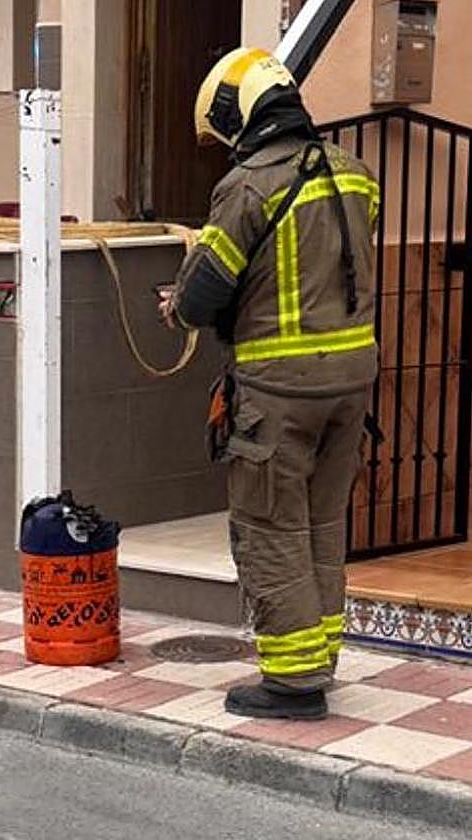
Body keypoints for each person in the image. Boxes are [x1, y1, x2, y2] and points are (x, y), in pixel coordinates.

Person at [158, 48, 380, 719]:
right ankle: (321, 659)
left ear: (239, 113)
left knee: (268, 527)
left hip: (277, 393)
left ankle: (290, 683)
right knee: (319, 523)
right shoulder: (354, 174)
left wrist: (176, 299)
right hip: (351, 381)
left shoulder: (249, 185)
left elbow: (200, 300)